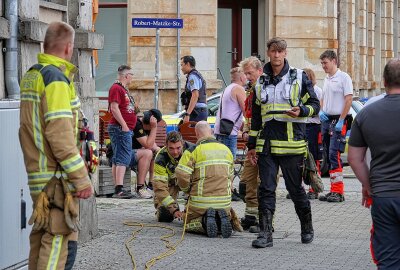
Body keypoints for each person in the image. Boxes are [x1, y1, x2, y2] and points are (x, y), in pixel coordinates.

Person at [19, 21, 93, 270]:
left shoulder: (33, 75)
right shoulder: (56, 79)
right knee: (59, 240)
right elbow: (60, 137)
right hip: (56, 179)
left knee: (40, 239)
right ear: (68, 47)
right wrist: (81, 179)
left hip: (39, 175)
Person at [248, 37, 320, 248]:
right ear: (268, 53)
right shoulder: (260, 82)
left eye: (280, 51)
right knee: (266, 189)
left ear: (285, 53)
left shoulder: (299, 77)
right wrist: (252, 146)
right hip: (267, 145)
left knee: (295, 190)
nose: (277, 55)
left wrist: (303, 111)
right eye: (273, 51)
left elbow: (316, 105)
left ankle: (307, 227)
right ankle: (265, 234)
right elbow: (257, 117)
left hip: (292, 145)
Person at [348, 58, 400, 269]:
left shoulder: (367, 113)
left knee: (388, 259)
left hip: (383, 194)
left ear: (384, 81)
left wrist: (369, 185)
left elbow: (354, 158)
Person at [176, 121, 235, 238]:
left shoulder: (193, 150)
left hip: (200, 204)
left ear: (196, 134)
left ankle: (204, 222)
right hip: (225, 203)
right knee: (222, 211)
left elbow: (181, 174)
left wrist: (187, 190)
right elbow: (231, 177)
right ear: (212, 132)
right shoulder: (227, 150)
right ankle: (220, 220)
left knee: (186, 223)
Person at [318, 50, 353, 203]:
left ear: (333, 61)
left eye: (325, 63)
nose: (323, 66)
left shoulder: (343, 78)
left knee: (334, 154)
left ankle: (338, 192)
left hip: (338, 120)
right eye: (322, 63)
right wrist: (321, 111)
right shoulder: (326, 79)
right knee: (327, 153)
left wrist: (341, 120)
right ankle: (333, 189)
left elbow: (348, 99)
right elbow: (323, 98)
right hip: (327, 120)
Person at [237, 56, 263, 232]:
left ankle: (265, 220)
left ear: (259, 71)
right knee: (247, 181)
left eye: (250, 73)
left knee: (264, 183)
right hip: (252, 143)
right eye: (245, 73)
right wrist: (246, 130)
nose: (247, 76)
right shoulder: (249, 90)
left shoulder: (265, 89)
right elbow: (248, 116)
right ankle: (251, 216)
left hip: (265, 142)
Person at [107, 65, 137, 199]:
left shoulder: (123, 89)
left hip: (124, 128)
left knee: (119, 157)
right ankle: (119, 189)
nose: (132, 77)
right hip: (120, 128)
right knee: (123, 157)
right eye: (131, 74)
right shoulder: (116, 88)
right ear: (126, 76)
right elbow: (114, 108)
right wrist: (124, 125)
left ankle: (118, 188)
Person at [153, 131, 194, 222]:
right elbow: (160, 187)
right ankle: (173, 205)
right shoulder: (160, 158)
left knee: (194, 215)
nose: (175, 152)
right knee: (165, 215)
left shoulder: (193, 150)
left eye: (178, 148)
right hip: (170, 184)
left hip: (190, 183)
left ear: (182, 144)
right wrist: (173, 209)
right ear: (166, 146)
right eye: (171, 148)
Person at [214, 67, 246, 159]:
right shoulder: (239, 89)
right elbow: (246, 111)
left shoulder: (227, 88)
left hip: (221, 130)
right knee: (229, 163)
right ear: (241, 78)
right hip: (229, 133)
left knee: (222, 163)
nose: (247, 77)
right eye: (246, 75)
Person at [131, 109, 163, 198]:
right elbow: (148, 145)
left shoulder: (147, 127)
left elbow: (153, 145)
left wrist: (159, 151)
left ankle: (151, 184)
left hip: (134, 153)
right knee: (148, 152)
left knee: (155, 152)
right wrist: (154, 128)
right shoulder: (137, 125)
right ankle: (140, 188)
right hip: (125, 155)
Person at [303, 68, 323, 199]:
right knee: (302, 157)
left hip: (313, 125)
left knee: (313, 157)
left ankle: (314, 188)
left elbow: (318, 108)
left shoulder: (316, 90)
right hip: (304, 125)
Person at [180, 55, 208, 123]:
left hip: (196, 112)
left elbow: (195, 95)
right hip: (200, 111)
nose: (181, 68)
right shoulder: (197, 75)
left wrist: (187, 114)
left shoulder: (192, 76)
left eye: (182, 65)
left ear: (188, 64)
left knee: (186, 132)